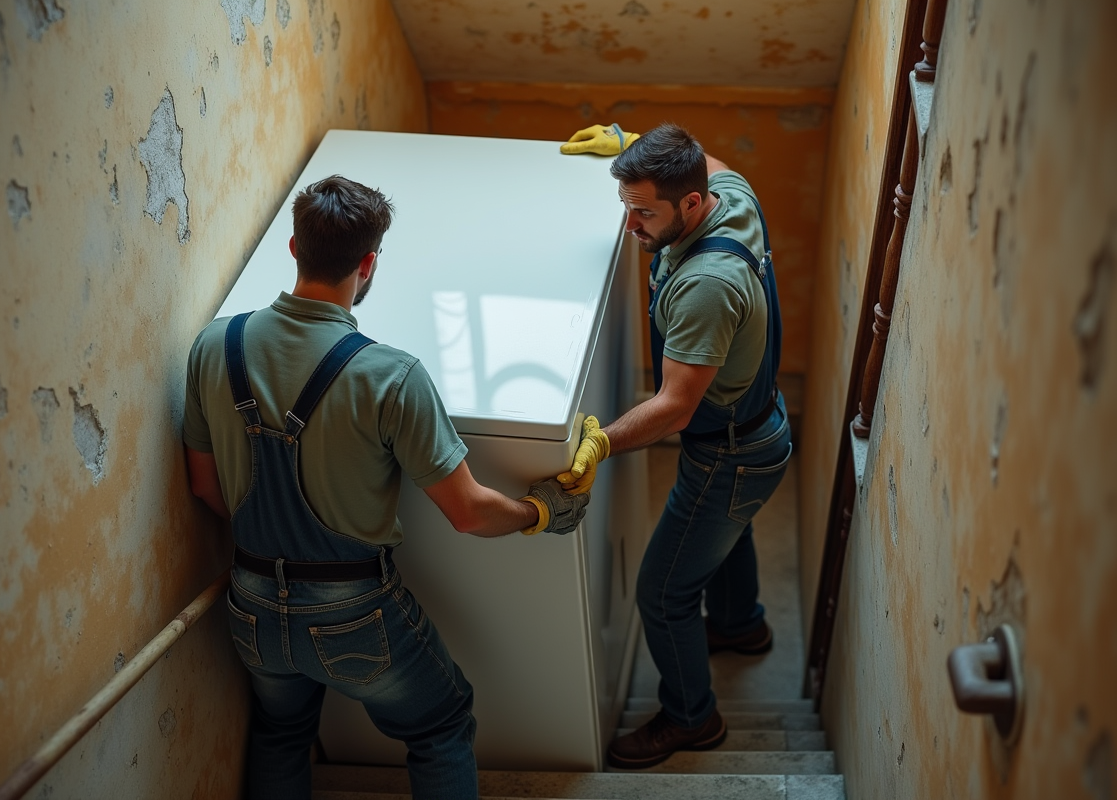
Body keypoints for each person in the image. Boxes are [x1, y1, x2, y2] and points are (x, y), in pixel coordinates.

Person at [182, 175, 589, 800]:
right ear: (369, 262)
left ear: (293, 248)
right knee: (441, 723)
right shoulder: (391, 376)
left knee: (281, 731)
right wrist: (540, 511)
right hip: (353, 611)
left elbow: (207, 490)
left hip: (251, 605)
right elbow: (469, 513)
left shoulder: (215, 345)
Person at [560, 123, 792, 769]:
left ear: (689, 206)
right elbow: (708, 154)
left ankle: (694, 719)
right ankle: (741, 625)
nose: (631, 227)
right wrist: (627, 139)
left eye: (643, 213)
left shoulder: (705, 286)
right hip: (755, 426)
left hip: (729, 450)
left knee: (662, 594)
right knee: (727, 533)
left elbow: (674, 407)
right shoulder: (729, 194)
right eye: (627, 209)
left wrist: (599, 443)